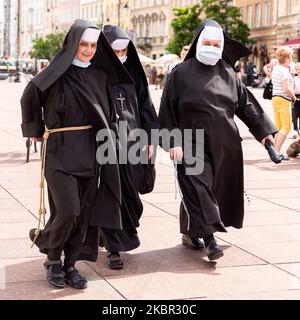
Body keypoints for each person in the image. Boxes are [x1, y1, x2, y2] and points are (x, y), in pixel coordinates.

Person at [20, 19, 129, 289]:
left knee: (83, 214)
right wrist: (34, 129)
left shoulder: (100, 76)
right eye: (84, 44)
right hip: (60, 152)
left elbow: (109, 115)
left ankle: (69, 264)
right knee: (68, 210)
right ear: (73, 44)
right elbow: (29, 97)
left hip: (91, 152)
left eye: (93, 45)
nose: (89, 50)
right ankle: (52, 258)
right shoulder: (55, 73)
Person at [159, 19, 277, 261]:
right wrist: (173, 142)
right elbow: (167, 111)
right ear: (198, 43)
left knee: (206, 190)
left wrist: (266, 136)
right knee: (198, 185)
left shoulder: (229, 74)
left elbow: (247, 106)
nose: (211, 47)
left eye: (216, 44)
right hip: (191, 141)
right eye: (207, 43)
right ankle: (211, 240)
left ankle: (191, 233)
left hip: (225, 143)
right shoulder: (179, 74)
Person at [92, 24, 159, 269]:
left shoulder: (134, 74)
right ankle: (114, 248)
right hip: (106, 146)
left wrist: (152, 138)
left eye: (124, 51)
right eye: (115, 51)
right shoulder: (96, 74)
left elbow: (146, 107)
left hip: (133, 144)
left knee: (132, 195)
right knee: (111, 193)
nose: (121, 56)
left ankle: (106, 233)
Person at [271, 46, 296, 159]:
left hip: (275, 98)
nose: (291, 59)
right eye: (290, 57)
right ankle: (276, 151)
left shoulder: (276, 68)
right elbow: (286, 88)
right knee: (286, 127)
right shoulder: (284, 70)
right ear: (286, 58)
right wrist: (293, 96)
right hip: (283, 99)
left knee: (278, 127)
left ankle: (273, 150)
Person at [292, 62, 300, 138]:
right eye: (297, 69)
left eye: (299, 69)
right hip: (294, 97)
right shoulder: (294, 78)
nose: (298, 71)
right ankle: (295, 129)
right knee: (294, 114)